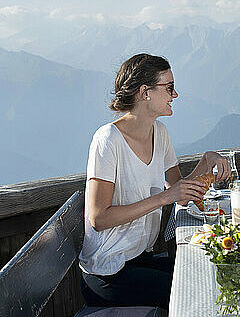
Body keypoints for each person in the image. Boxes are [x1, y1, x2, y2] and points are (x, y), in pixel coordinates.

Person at [79, 53, 231, 310]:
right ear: (145, 92)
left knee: (211, 272)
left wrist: (205, 163)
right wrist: (163, 198)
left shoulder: (159, 133)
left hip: (140, 258)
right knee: (197, 294)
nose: (175, 95)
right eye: (169, 87)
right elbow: (99, 218)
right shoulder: (107, 140)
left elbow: (179, 192)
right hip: (108, 273)